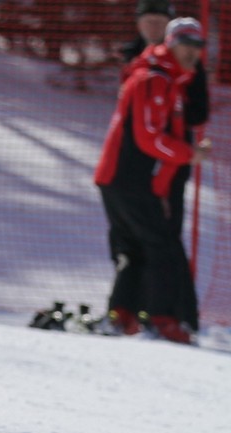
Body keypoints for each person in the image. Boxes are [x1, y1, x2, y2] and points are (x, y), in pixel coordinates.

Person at [95, 18, 211, 344]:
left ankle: (122, 316)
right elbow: (149, 138)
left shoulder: (170, 80)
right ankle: (161, 320)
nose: (193, 52)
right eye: (186, 43)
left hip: (124, 177)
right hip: (127, 177)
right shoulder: (154, 79)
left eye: (198, 45)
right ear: (170, 44)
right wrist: (188, 154)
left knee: (133, 248)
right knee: (160, 246)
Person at [121, 0, 210, 238]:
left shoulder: (187, 59)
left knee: (165, 237)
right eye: (147, 21)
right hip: (130, 165)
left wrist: (169, 108)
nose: (152, 27)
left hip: (169, 159)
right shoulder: (133, 56)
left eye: (158, 22)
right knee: (129, 241)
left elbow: (199, 112)